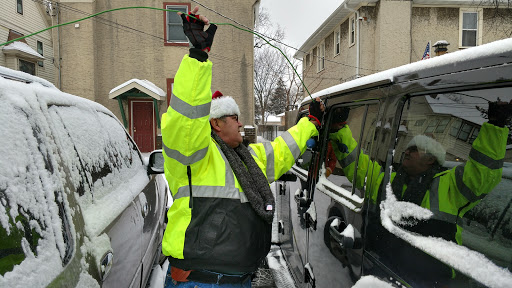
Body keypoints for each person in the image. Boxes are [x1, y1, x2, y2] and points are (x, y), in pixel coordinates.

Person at [160, 7, 322, 287]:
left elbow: (283, 150)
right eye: (233, 118)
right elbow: (186, 118)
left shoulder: (248, 157)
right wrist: (198, 57)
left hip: (238, 279)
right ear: (215, 124)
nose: (240, 123)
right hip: (200, 281)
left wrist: (311, 123)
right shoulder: (196, 155)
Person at [328, 102, 510, 244]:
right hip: (385, 266)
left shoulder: (449, 187)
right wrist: (338, 129)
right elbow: (358, 166)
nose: (407, 152)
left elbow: (482, 174)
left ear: (431, 159)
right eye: (408, 149)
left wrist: (495, 127)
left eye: (414, 149)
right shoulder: (387, 180)